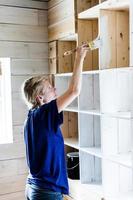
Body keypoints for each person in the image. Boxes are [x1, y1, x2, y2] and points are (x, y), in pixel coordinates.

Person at [21, 44, 88, 200]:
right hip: (45, 191)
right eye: (50, 88)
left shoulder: (32, 117)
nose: (55, 91)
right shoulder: (43, 113)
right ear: (40, 98)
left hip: (35, 187)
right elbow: (74, 91)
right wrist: (79, 57)